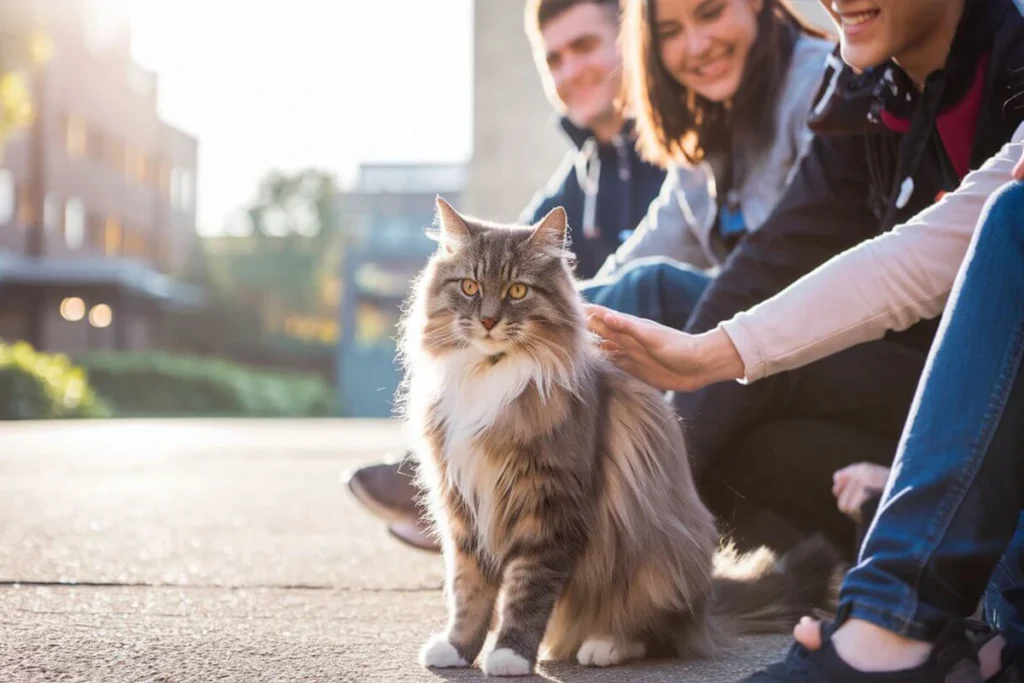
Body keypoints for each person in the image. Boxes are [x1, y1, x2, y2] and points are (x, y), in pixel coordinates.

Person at [588, 12, 1024, 683]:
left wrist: (710, 358)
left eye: (709, 12)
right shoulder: (867, 85)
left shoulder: (1007, 52)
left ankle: (887, 621)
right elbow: (787, 252)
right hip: (912, 403)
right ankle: (560, 513)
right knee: (679, 328)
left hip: (957, 389)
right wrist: (704, 353)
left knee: (1008, 223)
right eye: (672, 27)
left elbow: (934, 256)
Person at [348, 0, 834, 552]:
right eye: (672, 30)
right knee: (613, 299)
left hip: (818, 333)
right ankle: (470, 473)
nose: (695, 45)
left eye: (711, 14)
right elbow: (657, 240)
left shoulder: (814, 84)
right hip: (758, 342)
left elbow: (775, 262)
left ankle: (492, 484)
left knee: (646, 293)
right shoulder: (701, 127)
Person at [347, 0, 665, 551]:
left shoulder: (675, 144)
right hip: (615, 350)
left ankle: (475, 491)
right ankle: (459, 484)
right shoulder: (580, 173)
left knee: (629, 294)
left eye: (585, 47)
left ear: (631, 39)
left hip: (684, 342)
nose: (570, 71)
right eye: (554, 59)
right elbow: (504, 259)